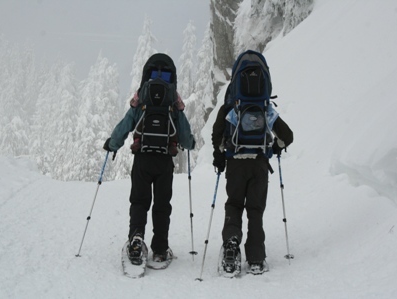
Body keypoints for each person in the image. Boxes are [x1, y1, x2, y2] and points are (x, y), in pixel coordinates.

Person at [103, 53, 195, 264]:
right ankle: (160, 250)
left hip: (142, 159)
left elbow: (125, 125)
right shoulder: (173, 101)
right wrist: (190, 143)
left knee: (139, 202)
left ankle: (136, 239)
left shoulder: (141, 99)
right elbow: (185, 137)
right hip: (164, 161)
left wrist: (112, 144)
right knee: (162, 205)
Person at [211, 56, 293, 275]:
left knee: (234, 204)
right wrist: (274, 148)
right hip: (259, 164)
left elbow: (217, 133)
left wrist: (219, 156)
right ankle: (256, 259)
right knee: (255, 210)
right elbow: (288, 136)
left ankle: (230, 247)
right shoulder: (266, 108)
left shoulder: (232, 106)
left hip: (235, 164)